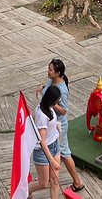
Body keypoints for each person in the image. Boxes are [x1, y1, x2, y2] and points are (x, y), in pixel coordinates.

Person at [35, 59, 85, 193]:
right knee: (60, 152)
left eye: (50, 69)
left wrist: (50, 101)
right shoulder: (52, 80)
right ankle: (50, 176)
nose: (48, 71)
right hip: (51, 123)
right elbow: (49, 90)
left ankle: (77, 182)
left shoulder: (61, 90)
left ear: (58, 73)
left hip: (59, 125)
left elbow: (64, 111)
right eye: (48, 68)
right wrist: (43, 88)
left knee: (64, 152)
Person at [28, 85, 62, 199]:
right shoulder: (42, 115)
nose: (58, 102)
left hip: (54, 146)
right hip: (43, 151)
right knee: (43, 183)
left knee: (55, 181)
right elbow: (42, 141)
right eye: (57, 101)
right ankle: (27, 189)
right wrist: (51, 160)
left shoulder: (48, 107)